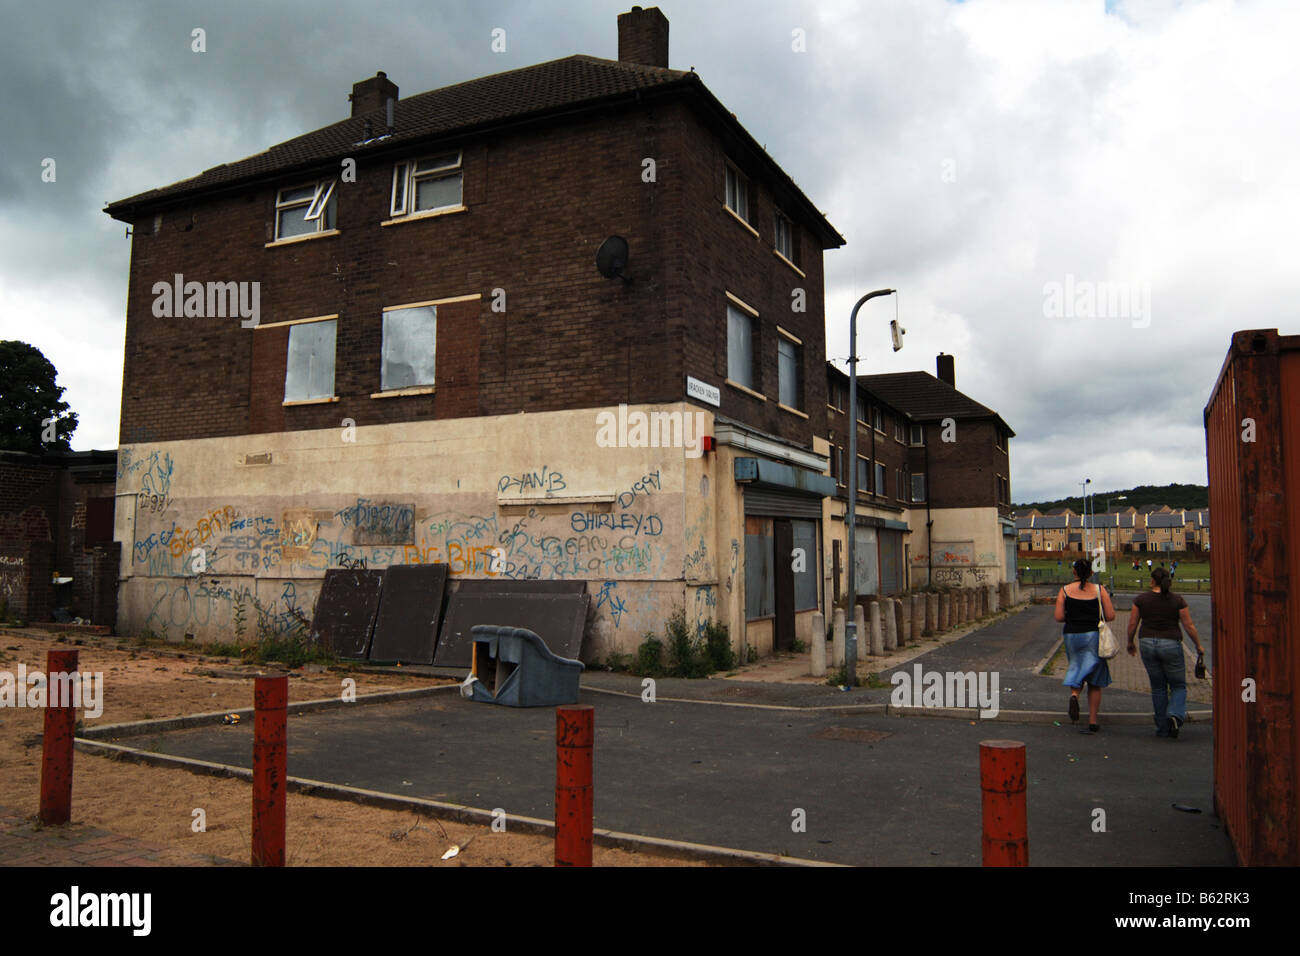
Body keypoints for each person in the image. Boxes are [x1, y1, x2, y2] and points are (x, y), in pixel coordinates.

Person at [1127, 566, 1205, 739]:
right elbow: (1188, 625)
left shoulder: (1141, 599)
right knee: (1178, 685)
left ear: (1152, 580)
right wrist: (1198, 645)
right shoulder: (1177, 600)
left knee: (1158, 687)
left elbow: (1133, 623)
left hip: (1147, 642)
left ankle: (1162, 728)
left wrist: (1130, 641)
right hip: (1171, 643)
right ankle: (1175, 715)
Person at [1055, 558, 1116, 734]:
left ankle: (1074, 695)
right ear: (1091, 573)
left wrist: (1074, 617)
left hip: (1072, 635)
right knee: (1095, 679)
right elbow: (1110, 615)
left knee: (1077, 665)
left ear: (1074, 572)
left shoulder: (1064, 591)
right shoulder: (1099, 590)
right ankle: (1092, 721)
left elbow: (1059, 616)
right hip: (1093, 635)